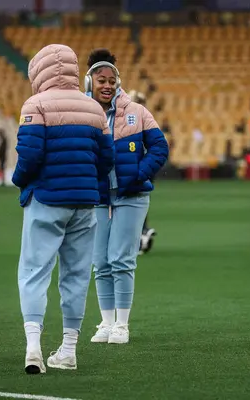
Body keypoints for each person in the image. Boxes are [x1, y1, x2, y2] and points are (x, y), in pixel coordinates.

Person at [14, 44, 114, 373]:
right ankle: (69, 350)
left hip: (47, 199)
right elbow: (107, 160)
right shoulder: (94, 109)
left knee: (34, 273)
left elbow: (28, 156)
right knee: (76, 276)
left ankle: (33, 348)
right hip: (85, 203)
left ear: (39, 70)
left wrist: (20, 181)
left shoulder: (36, 105)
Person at [86, 49, 169, 344]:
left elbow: (160, 148)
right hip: (97, 197)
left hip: (131, 196)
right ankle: (106, 323)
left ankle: (122, 325)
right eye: (101, 81)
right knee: (100, 262)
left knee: (121, 260)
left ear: (118, 82)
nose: (107, 86)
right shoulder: (82, 113)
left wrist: (139, 174)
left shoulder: (137, 112)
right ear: (90, 83)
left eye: (111, 80)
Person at [128, 90, 158, 255]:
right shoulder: (147, 119)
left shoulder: (127, 119)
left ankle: (140, 236)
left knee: (130, 204)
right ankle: (143, 232)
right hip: (145, 166)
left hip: (133, 167)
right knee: (140, 201)